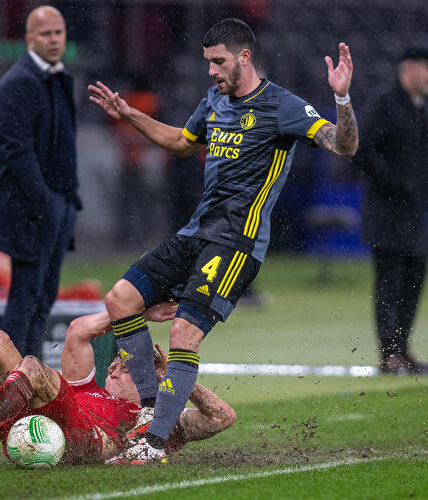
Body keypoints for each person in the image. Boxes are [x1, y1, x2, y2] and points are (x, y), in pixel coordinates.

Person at [88, 18, 358, 464]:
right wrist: (129, 114)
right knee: (120, 299)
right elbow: (180, 141)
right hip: (195, 232)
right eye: (207, 62)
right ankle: (154, 412)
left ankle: (153, 445)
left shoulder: (281, 105)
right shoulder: (214, 99)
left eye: (218, 62)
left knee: (183, 333)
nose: (211, 71)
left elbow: (343, 145)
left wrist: (342, 98)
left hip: (236, 243)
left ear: (244, 57)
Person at [0, 253, 235, 467]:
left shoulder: (154, 419)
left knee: (34, 368)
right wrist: (139, 312)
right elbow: (78, 330)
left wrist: (172, 378)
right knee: (2, 348)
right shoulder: (86, 385)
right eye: (118, 361)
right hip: (26, 430)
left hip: (84, 443)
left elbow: (221, 418)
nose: (116, 365)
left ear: (149, 381)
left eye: (129, 366)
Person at [0, 5, 81, 358]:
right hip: (34, 207)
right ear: (28, 39)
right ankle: (11, 378)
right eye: (45, 34)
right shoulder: (20, 80)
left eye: (58, 33)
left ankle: (29, 374)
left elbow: (61, 144)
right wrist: (44, 203)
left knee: (43, 295)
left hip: (58, 201)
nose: (54, 40)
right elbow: (16, 150)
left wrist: (68, 199)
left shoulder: (53, 76)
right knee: (26, 296)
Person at [354, 48, 428, 375]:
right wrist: (394, 183)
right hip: (386, 211)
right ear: (410, 68)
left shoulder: (422, 108)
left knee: (413, 281)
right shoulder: (384, 103)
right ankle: (389, 353)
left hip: (416, 214)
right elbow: (361, 149)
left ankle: (403, 349)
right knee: (389, 283)